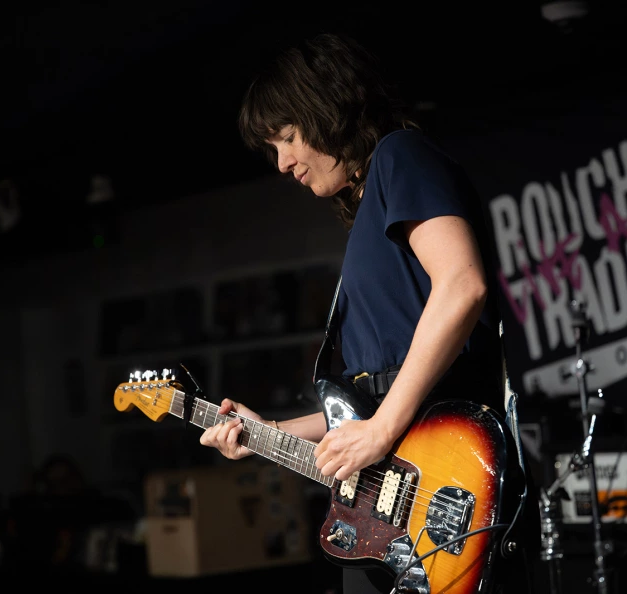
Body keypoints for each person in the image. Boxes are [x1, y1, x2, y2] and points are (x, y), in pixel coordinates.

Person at [198, 31, 539, 594]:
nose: (282, 163)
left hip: (447, 493)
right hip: (391, 515)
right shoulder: (370, 210)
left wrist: (380, 430)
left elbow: (462, 285)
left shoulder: (401, 156)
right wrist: (270, 434)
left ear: (326, 108)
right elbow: (369, 395)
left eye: (288, 137)